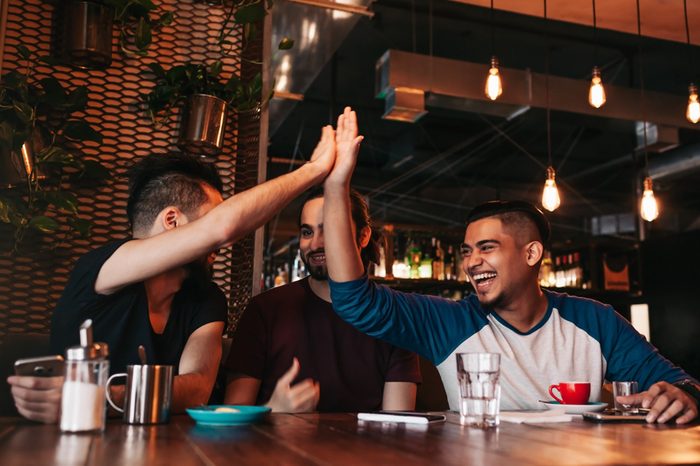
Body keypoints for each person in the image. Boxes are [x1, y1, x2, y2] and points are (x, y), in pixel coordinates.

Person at [322, 106, 700, 424]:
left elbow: (678, 383)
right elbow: (355, 302)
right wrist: (336, 187)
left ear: (531, 254)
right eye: (467, 251)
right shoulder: (450, 323)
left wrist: (684, 396)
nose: (472, 262)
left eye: (486, 248)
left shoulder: (595, 321)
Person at [7, 124, 339, 423]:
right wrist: (314, 171)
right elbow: (222, 228)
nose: (218, 240)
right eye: (208, 218)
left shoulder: (205, 298)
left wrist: (97, 398)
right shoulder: (103, 269)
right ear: (171, 221)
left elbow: (196, 390)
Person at [223, 187, 421, 412]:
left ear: (363, 236)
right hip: (278, 447)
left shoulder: (394, 316)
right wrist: (273, 410)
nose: (315, 244)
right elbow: (232, 417)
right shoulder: (265, 310)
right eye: (307, 232)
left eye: (329, 229)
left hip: (366, 447)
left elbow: (397, 426)